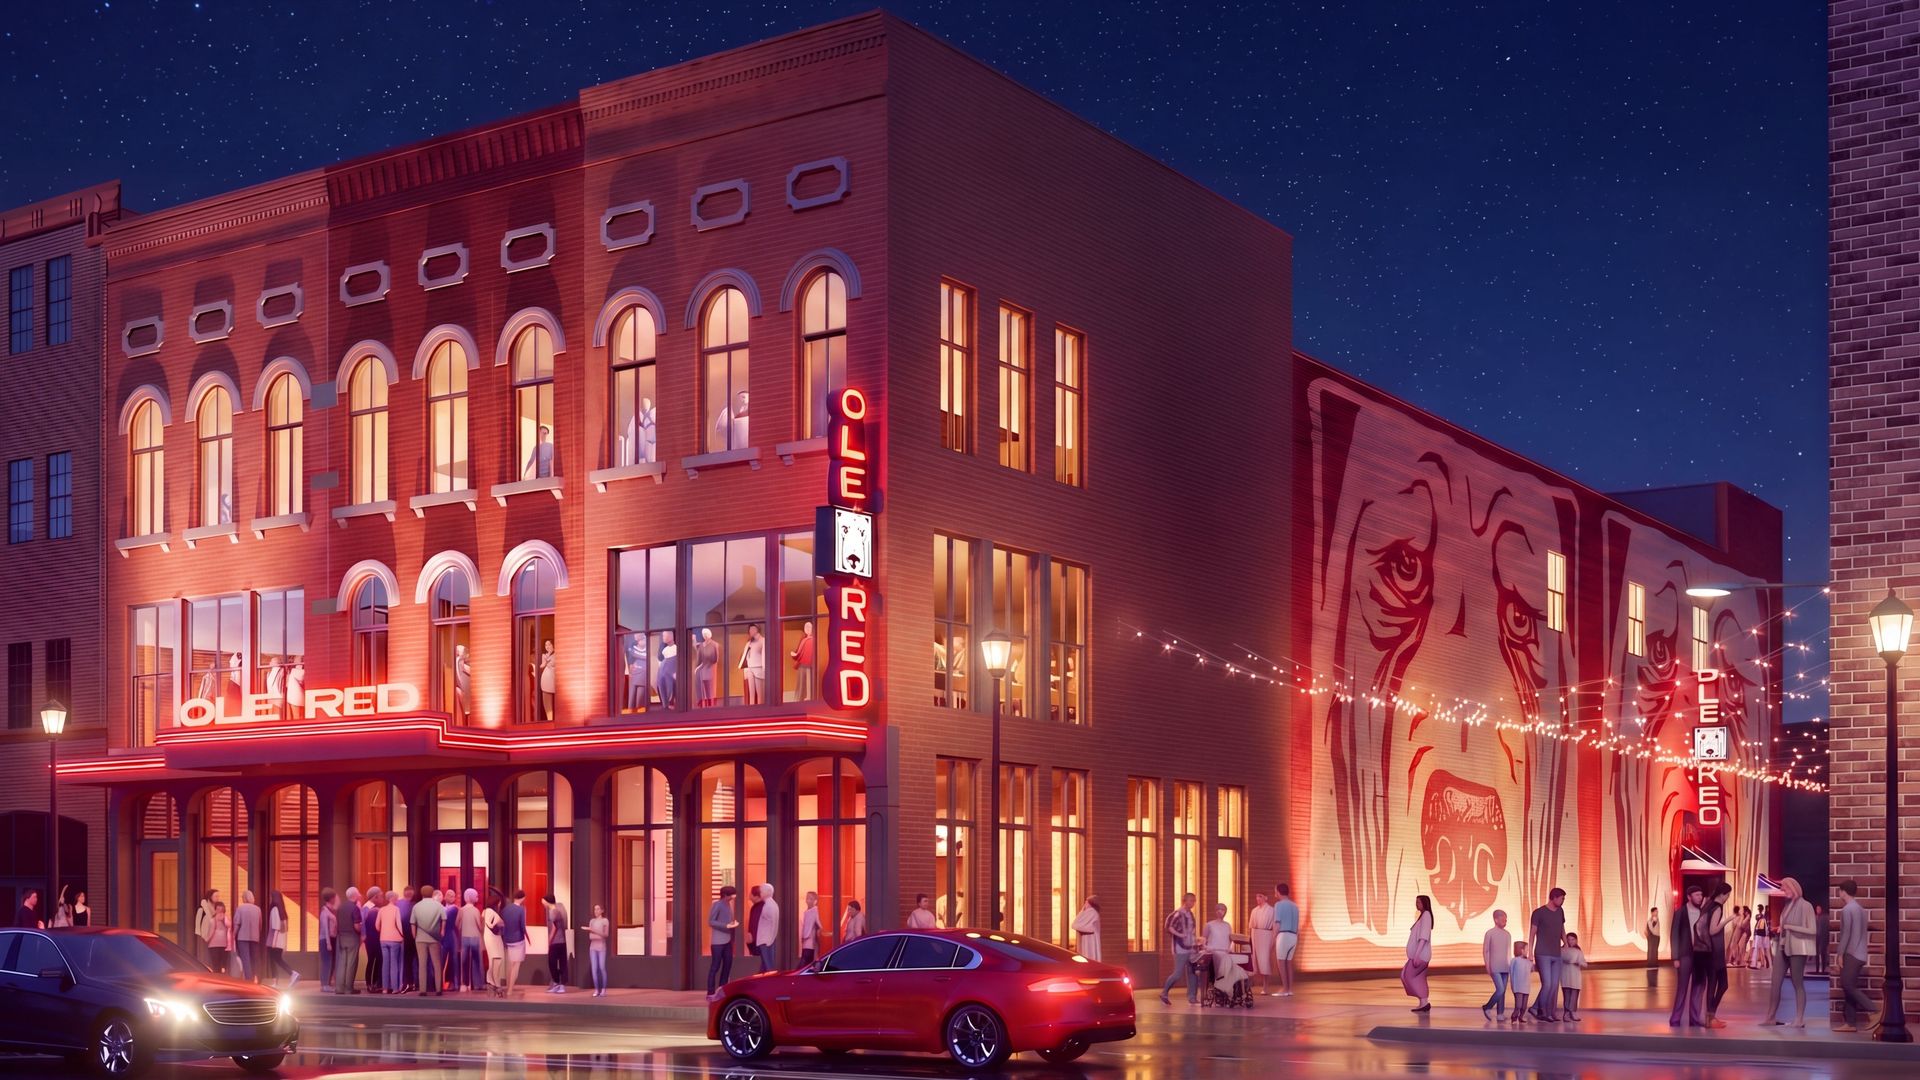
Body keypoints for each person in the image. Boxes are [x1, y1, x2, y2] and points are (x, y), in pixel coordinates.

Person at [1765, 876, 1818, 1027]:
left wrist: (1790, 927)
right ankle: (1770, 1017)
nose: (1782, 890)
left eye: (1784, 887)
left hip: (1797, 949)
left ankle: (1799, 1019)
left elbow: (1812, 930)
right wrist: (1781, 929)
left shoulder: (1806, 906)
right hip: (1783, 946)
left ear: (1793, 887)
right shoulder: (1788, 906)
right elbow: (1786, 926)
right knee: (1775, 982)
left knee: (1797, 982)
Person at [1835, 879, 1874, 1032]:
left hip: (1851, 953)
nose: (1839, 893)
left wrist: (1839, 954)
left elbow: (1845, 934)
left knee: (1848, 985)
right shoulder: (1860, 909)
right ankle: (1850, 1023)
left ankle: (1875, 1011)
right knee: (1848, 987)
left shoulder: (1847, 910)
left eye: (1839, 890)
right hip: (1860, 953)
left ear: (1843, 891)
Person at [1669, 884, 1708, 1027]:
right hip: (1684, 955)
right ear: (1689, 897)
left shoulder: (1703, 912)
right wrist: (1675, 957)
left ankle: (1695, 1018)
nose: (1700, 897)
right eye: (1697, 895)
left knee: (1698, 987)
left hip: (1699, 956)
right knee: (1682, 987)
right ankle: (1675, 1018)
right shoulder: (1680, 912)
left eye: (1701, 894)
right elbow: (1674, 935)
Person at [1528, 887, 1567, 1021]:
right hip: (1542, 953)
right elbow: (1532, 933)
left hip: (1556, 953)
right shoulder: (1539, 912)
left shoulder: (1560, 911)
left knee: (1554, 985)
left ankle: (1538, 1009)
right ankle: (1542, 1011)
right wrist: (1530, 953)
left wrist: (1566, 943)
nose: (1563, 901)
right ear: (1554, 898)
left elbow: (1562, 929)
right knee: (1548, 984)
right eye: (1562, 898)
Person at [1161, 893, 1200, 1005]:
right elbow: (1168, 926)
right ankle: (1164, 992)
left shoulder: (1191, 915)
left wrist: (1194, 940)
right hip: (1180, 948)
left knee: (1192, 972)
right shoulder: (1178, 913)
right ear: (1185, 901)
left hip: (1191, 948)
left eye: (1194, 900)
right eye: (1191, 900)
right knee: (1177, 973)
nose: (1193, 903)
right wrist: (1180, 934)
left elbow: (1192, 930)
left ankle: (1192, 996)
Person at [1201, 903, 1248, 997]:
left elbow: (1230, 939)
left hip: (1225, 951)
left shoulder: (1227, 925)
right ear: (1215, 911)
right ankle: (1219, 982)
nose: (1220, 911)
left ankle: (1231, 985)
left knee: (1232, 961)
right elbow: (1203, 940)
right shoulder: (1209, 925)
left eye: (1222, 910)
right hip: (1213, 951)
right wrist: (1207, 948)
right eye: (1218, 909)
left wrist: (1229, 948)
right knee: (1219, 959)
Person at [1702, 882, 1731, 1028]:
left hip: (1709, 950)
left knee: (1713, 984)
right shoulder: (1717, 907)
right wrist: (1728, 920)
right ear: (1723, 894)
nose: (1727, 898)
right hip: (1715, 951)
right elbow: (1713, 930)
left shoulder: (1708, 905)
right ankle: (1710, 1017)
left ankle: (1710, 1017)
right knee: (1721, 984)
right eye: (1728, 895)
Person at [1403, 894, 1434, 1012]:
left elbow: (1423, 937)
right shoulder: (1423, 916)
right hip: (1420, 954)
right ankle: (1423, 1002)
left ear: (1424, 903)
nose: (1416, 904)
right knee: (1420, 978)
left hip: (1420, 955)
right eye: (1416, 902)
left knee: (1407, 976)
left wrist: (1417, 955)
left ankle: (1423, 1000)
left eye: (1419, 902)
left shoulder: (1426, 915)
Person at [412, 885, 445, 997]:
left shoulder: (416, 906)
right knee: (437, 964)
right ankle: (438, 989)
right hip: (434, 938)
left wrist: (414, 936)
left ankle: (422, 990)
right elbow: (444, 919)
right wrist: (442, 931)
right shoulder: (438, 905)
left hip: (420, 938)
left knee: (422, 964)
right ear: (432, 894)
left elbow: (413, 923)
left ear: (421, 893)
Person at [1482, 909, 1513, 1021]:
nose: (1505, 921)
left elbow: (1509, 952)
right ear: (1496, 919)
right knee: (1500, 989)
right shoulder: (1490, 933)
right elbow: (1485, 951)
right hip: (1494, 966)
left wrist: (1510, 965)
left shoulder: (1507, 934)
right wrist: (1487, 965)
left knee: (1503, 991)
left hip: (1505, 966)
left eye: (1506, 919)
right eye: (1503, 919)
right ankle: (1487, 1007)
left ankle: (1500, 1013)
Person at [707, 885, 738, 995]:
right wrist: (726, 925)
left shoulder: (729, 905)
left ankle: (722, 989)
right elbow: (711, 921)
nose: (733, 897)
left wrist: (732, 924)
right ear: (725, 895)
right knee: (715, 966)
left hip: (728, 940)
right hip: (718, 942)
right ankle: (710, 992)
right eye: (731, 895)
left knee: (728, 964)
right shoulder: (717, 904)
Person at [376, 887, 405, 993]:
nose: (397, 900)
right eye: (396, 898)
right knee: (394, 963)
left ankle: (384, 988)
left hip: (383, 939)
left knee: (385, 963)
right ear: (392, 898)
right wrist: (402, 936)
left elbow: (377, 925)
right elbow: (398, 924)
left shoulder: (382, 910)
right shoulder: (396, 909)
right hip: (395, 940)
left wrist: (383, 932)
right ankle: (395, 988)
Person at [501, 890, 530, 997]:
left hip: (507, 939)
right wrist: (528, 937)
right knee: (516, 965)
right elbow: (522, 926)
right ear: (522, 898)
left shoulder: (505, 909)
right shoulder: (521, 910)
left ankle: (508, 987)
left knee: (509, 964)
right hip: (518, 939)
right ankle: (510, 990)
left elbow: (503, 924)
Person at [266, 892, 298, 988]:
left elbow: (276, 927)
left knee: (275, 960)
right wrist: (284, 945)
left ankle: (292, 973)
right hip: (280, 941)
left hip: (274, 940)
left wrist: (273, 943)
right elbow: (285, 929)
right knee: (276, 960)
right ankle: (277, 981)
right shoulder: (282, 911)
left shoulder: (274, 910)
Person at [334, 887, 362, 995]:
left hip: (341, 937)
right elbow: (356, 926)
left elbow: (337, 923)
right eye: (358, 894)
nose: (359, 895)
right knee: (351, 963)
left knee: (342, 963)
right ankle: (349, 988)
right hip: (352, 937)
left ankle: (339, 988)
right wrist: (361, 929)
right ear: (355, 895)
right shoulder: (355, 908)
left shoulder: (340, 908)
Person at [1274, 883, 1301, 997]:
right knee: (1289, 963)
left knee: (1281, 962)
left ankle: (1284, 989)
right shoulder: (1295, 906)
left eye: (1275, 891)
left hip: (1283, 935)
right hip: (1293, 935)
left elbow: (1277, 923)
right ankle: (1290, 989)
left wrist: (1274, 937)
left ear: (1279, 892)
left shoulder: (1278, 905)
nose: (1275, 893)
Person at [1247, 892, 1275, 994]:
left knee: (1264, 960)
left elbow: (1274, 925)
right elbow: (1251, 926)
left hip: (1266, 935)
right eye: (1257, 897)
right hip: (1255, 934)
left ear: (1266, 898)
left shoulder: (1271, 910)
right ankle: (1252, 982)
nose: (1258, 899)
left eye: (1260, 897)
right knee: (1254, 959)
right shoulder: (1254, 910)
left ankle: (1265, 986)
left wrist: (1273, 939)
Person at [460, 889, 486, 992]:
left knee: (464, 961)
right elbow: (480, 927)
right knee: (477, 961)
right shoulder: (476, 911)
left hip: (464, 938)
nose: (477, 898)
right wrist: (483, 921)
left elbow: (457, 924)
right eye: (476, 896)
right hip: (475, 938)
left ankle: (464, 984)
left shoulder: (461, 910)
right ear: (472, 897)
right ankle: (478, 984)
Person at [545, 892, 571, 992]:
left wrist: (549, 941)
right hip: (562, 941)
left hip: (556, 942)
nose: (542, 902)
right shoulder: (560, 909)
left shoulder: (553, 911)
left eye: (543, 900)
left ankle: (557, 983)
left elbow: (554, 928)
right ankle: (560, 985)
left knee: (552, 963)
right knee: (561, 962)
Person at [234, 890, 263, 983]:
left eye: (242, 897)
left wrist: (233, 935)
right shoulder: (257, 909)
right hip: (255, 937)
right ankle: (257, 977)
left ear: (244, 898)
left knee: (245, 958)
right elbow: (260, 924)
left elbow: (237, 923)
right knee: (255, 958)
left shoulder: (240, 908)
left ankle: (248, 979)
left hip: (242, 937)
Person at [482, 890, 507, 994]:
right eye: (499, 902)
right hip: (493, 938)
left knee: (494, 960)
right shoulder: (490, 912)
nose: (500, 904)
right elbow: (493, 924)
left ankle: (492, 982)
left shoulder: (486, 911)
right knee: (496, 960)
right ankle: (496, 984)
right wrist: (500, 922)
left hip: (492, 938)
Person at [1560, 931, 1589, 1021]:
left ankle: (1573, 1012)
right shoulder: (1562, 950)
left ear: (1576, 940)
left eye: (1573, 939)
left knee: (1574, 995)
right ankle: (1566, 1013)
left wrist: (1579, 962)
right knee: (1567, 995)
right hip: (1566, 976)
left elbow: (1584, 964)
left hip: (1575, 977)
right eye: (1568, 939)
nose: (1570, 941)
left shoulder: (1578, 951)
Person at [362, 887, 384, 993]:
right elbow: (362, 924)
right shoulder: (366, 908)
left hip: (378, 938)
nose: (382, 898)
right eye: (381, 896)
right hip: (370, 939)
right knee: (371, 960)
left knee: (379, 959)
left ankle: (376, 983)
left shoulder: (377, 908)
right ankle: (369, 984)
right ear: (375, 897)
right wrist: (364, 936)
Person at [754, 883, 779, 972]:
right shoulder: (770, 904)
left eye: (762, 890)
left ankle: (772, 985)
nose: (760, 892)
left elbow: (773, 924)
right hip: (766, 939)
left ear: (767, 892)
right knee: (765, 966)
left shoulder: (769, 905)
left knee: (768, 966)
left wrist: (770, 940)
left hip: (766, 940)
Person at [740, 624, 767, 705]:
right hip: (750, 669)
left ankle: (761, 710)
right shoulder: (749, 643)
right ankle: (752, 709)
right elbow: (746, 658)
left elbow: (764, 655)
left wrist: (764, 669)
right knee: (751, 693)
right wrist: (746, 670)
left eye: (752, 629)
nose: (750, 631)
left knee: (760, 693)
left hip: (759, 668)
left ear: (756, 630)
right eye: (749, 629)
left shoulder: (763, 640)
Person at [397, 886, 417, 992]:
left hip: (402, 936)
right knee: (414, 960)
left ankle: (407, 982)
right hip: (413, 936)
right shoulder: (415, 905)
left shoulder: (398, 904)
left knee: (406, 960)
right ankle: (413, 983)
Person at [588, 904, 611, 997]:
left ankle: (603, 989)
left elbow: (605, 935)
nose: (596, 911)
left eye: (598, 909)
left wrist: (594, 931)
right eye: (594, 909)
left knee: (601, 967)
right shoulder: (592, 921)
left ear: (602, 910)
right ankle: (597, 989)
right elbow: (590, 936)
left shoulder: (605, 921)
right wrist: (594, 932)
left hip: (601, 947)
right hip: (592, 947)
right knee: (594, 969)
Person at [319, 888, 339, 993]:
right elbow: (325, 928)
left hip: (333, 938)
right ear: (331, 898)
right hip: (326, 939)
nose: (336, 899)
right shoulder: (324, 911)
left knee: (331, 961)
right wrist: (328, 943)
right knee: (326, 961)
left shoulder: (332, 910)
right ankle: (324, 984)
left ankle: (328, 982)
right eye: (334, 897)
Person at [1509, 941, 1534, 1024]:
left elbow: (1532, 970)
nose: (1527, 951)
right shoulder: (1514, 960)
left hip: (1526, 986)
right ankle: (1514, 1017)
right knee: (1518, 1005)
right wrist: (1512, 985)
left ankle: (1521, 1017)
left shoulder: (1528, 961)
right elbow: (1511, 973)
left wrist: (1531, 961)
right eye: (1526, 949)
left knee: (1524, 1006)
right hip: (1518, 986)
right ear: (1521, 950)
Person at [791, 622, 816, 701]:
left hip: (809, 664)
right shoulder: (804, 640)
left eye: (809, 627)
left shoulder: (813, 640)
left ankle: (809, 696)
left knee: (809, 681)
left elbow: (800, 653)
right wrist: (795, 654)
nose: (808, 629)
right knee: (801, 681)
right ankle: (801, 696)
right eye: (806, 627)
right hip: (802, 664)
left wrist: (795, 655)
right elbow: (799, 652)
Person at [1073, 896, 1103, 962]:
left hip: (1091, 939)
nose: (1085, 903)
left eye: (1086, 902)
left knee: (1090, 955)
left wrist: (1082, 911)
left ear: (1090, 903)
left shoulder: (1092, 912)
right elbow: (1075, 924)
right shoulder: (1090, 912)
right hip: (1087, 938)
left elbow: (1075, 924)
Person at [207, 901, 232, 976]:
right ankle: (222, 977)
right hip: (224, 944)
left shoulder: (212, 920)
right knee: (223, 965)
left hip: (213, 944)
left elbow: (211, 932)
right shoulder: (227, 919)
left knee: (215, 965)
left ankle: (216, 978)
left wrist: (207, 939)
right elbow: (230, 926)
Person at [799, 891, 822, 967]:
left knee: (804, 964)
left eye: (810, 899)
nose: (808, 900)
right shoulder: (807, 911)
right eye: (807, 898)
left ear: (815, 901)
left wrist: (806, 935)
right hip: (806, 942)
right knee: (807, 963)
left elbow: (819, 924)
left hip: (809, 942)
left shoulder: (814, 911)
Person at [195, 890, 217, 957]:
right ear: (210, 897)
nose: (218, 898)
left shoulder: (216, 908)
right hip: (203, 936)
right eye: (216, 896)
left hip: (213, 937)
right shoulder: (202, 909)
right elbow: (197, 925)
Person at [1646, 906, 1662, 986]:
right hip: (1653, 936)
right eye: (1655, 911)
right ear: (1652, 912)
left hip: (1657, 936)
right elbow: (1651, 928)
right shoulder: (1651, 920)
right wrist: (1654, 921)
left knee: (1655, 950)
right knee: (1652, 949)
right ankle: (1651, 963)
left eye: (1657, 911)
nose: (1657, 912)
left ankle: (1654, 963)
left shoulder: (1656, 918)